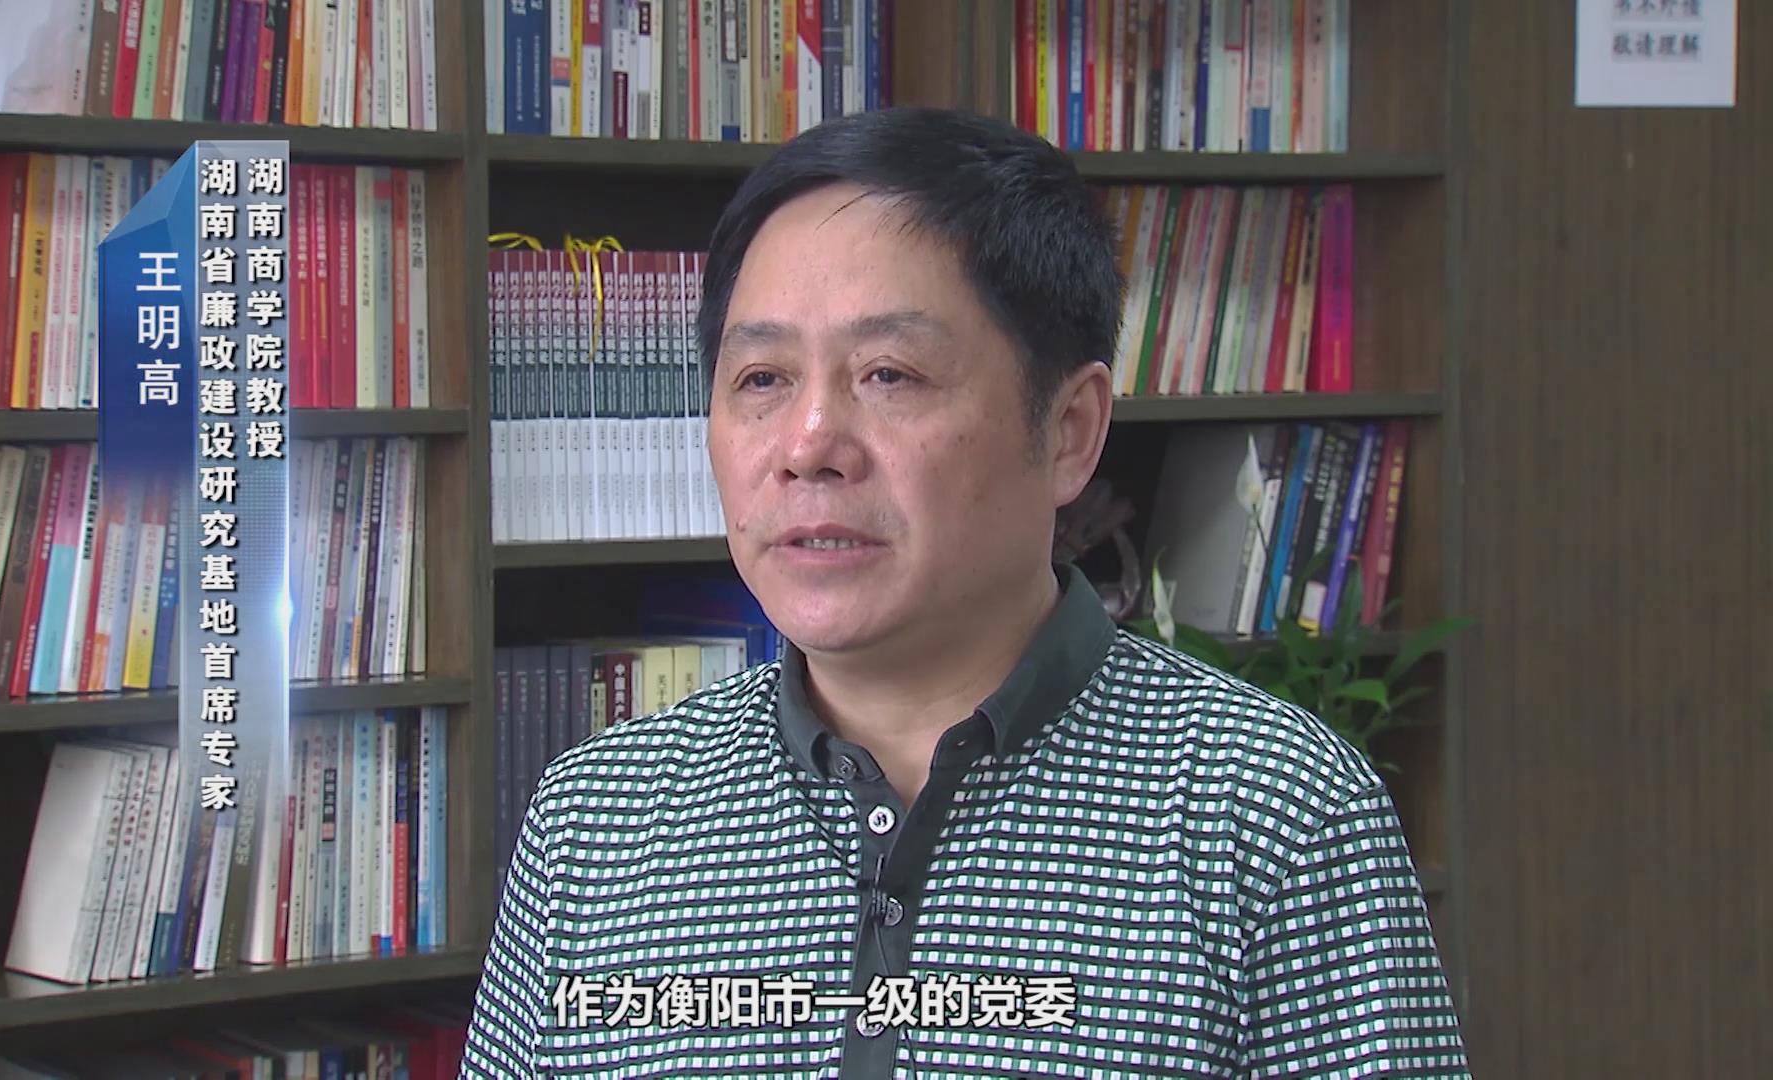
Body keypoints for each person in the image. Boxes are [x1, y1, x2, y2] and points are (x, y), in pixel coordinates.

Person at [460, 105, 1469, 1078]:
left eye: (889, 374)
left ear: (1069, 431)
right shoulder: (595, 822)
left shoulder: (1277, 819)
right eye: (762, 379)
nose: (808, 445)